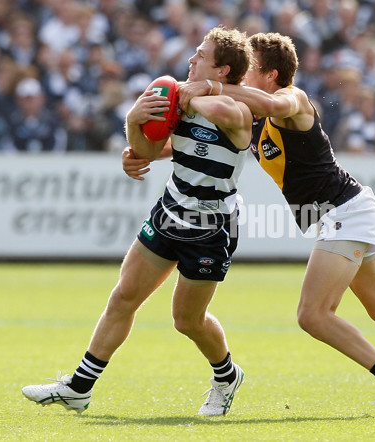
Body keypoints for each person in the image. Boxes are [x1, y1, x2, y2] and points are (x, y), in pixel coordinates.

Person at [123, 32, 375, 418]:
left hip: (344, 211)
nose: (241, 73)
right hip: (339, 212)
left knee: (313, 314)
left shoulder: (292, 99)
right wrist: (143, 153)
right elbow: (202, 143)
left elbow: (274, 105)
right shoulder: (248, 114)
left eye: (250, 69)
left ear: (270, 75)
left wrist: (210, 87)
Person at [22, 26, 253, 417]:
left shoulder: (238, 110)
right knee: (124, 296)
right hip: (170, 210)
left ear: (224, 70)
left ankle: (227, 376)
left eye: (201, 56)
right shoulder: (181, 94)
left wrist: (190, 93)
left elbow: (218, 111)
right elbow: (146, 149)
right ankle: (79, 387)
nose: (190, 60)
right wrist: (134, 123)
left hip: (211, 226)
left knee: (186, 320)